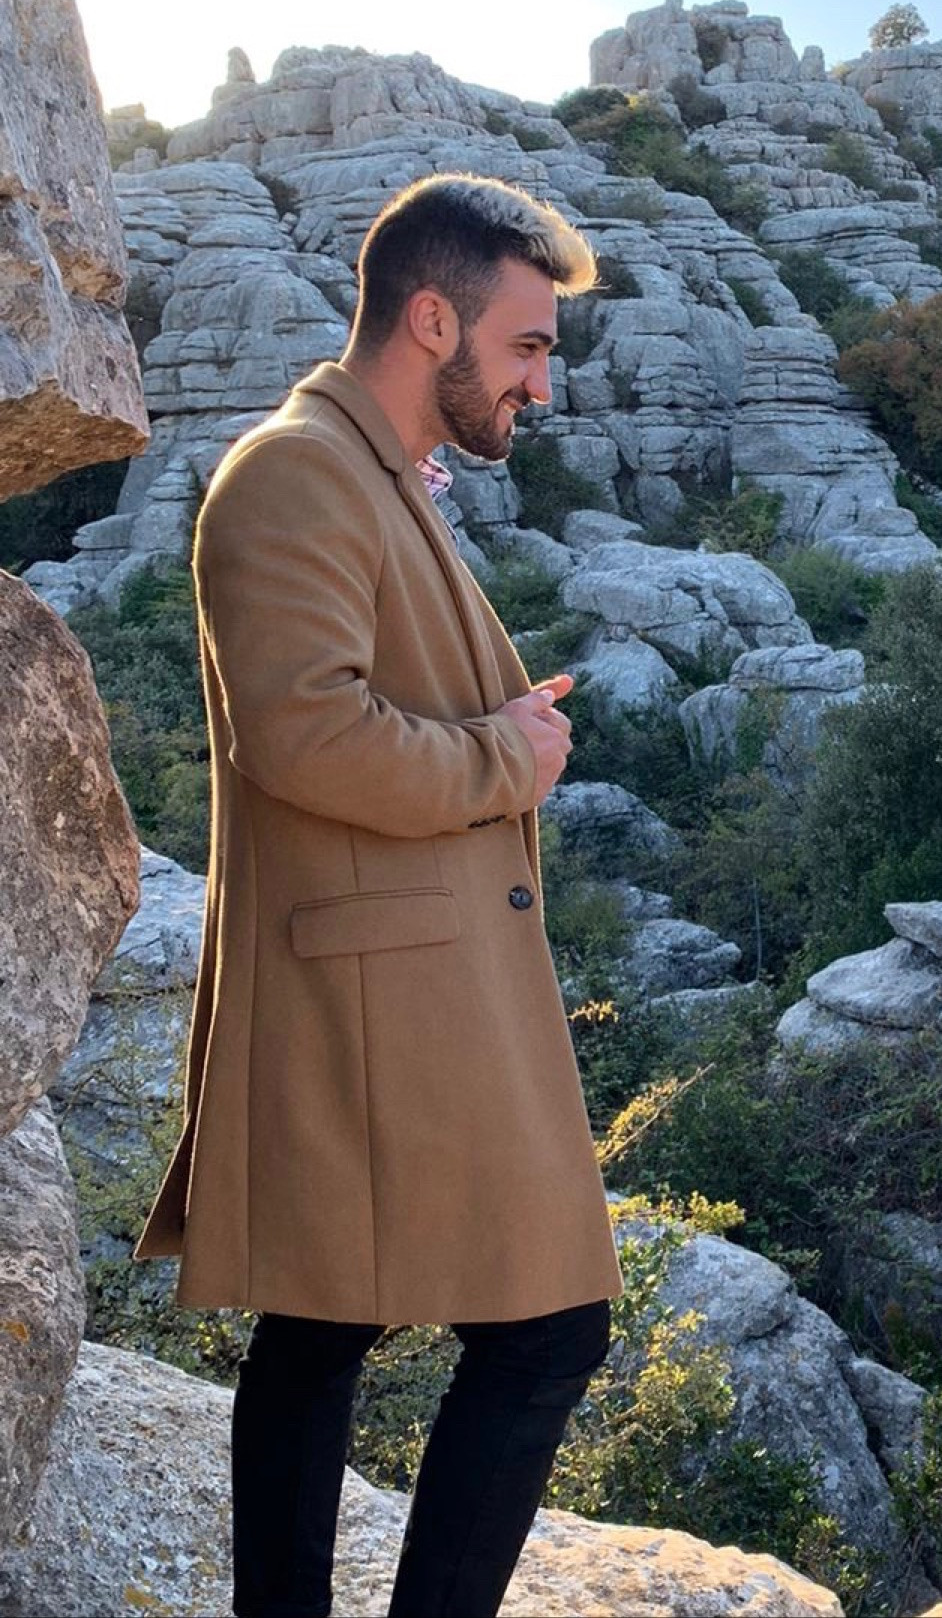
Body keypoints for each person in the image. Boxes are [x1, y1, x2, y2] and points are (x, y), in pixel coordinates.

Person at [134, 173, 624, 1618]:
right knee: (546, 1329)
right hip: (377, 993)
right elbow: (304, 736)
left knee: (321, 1328)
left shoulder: (368, 472)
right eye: (527, 346)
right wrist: (505, 755)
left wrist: (494, 726)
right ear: (431, 320)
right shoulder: (295, 473)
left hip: (400, 974)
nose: (542, 385)